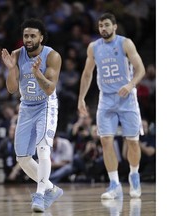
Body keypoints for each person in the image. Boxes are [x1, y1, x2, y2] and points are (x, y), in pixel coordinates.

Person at [78, 13, 145, 199]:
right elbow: (86, 74)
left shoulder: (126, 43)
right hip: (106, 99)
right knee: (106, 141)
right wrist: (81, 98)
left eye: (107, 25)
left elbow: (141, 69)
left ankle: (134, 174)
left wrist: (130, 85)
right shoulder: (93, 47)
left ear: (114, 26)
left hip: (127, 99)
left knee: (132, 142)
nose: (103, 29)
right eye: (100, 26)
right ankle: (114, 184)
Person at [1, 18, 63, 212]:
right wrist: (11, 69)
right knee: (22, 158)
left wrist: (38, 74)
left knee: (43, 149)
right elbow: (11, 89)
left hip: (46, 105)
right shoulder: (17, 55)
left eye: (32, 35)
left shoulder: (52, 56)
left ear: (41, 37)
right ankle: (51, 188)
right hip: (26, 106)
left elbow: (50, 89)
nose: (28, 39)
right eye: (25, 35)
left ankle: (40, 194)